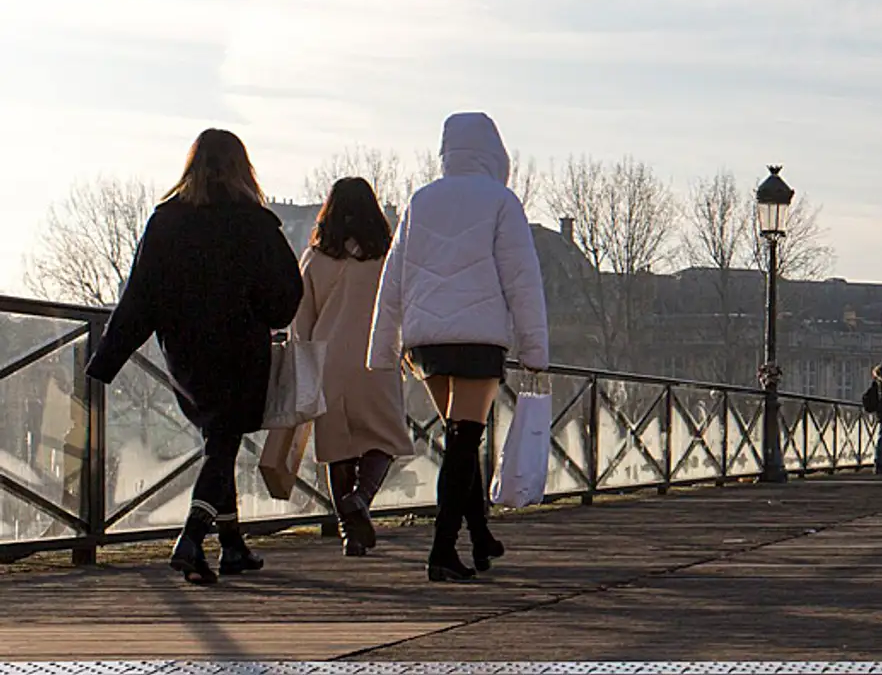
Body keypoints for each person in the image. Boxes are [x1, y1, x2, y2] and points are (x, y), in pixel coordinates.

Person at [86, 129, 303, 585]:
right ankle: (191, 537)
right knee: (223, 441)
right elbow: (286, 296)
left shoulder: (165, 221)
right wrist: (263, 312)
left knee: (217, 439)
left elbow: (138, 298)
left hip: (186, 352)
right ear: (244, 168)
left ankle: (232, 545)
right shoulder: (255, 222)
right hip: (242, 350)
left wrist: (105, 361)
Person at [370, 112, 549, 582]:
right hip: (478, 339)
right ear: (495, 154)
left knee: (459, 439)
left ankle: (480, 537)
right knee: (465, 440)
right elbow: (522, 281)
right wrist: (535, 351)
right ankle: (443, 550)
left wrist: (382, 347)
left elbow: (394, 278)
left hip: (427, 342)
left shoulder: (421, 200)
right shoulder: (501, 201)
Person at [295, 177, 413, 557]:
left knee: (337, 447)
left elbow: (302, 319)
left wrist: (305, 361)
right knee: (385, 437)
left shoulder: (315, 258)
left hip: (328, 361)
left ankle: (351, 535)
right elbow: (403, 307)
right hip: (376, 359)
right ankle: (361, 499)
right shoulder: (387, 257)